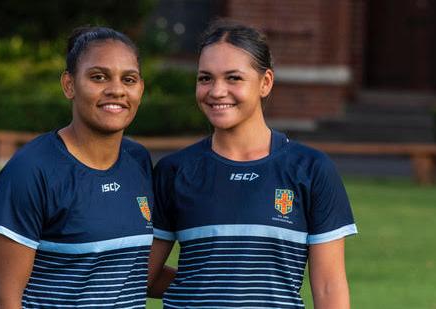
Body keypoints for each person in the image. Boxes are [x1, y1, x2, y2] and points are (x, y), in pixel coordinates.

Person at [148, 20, 357, 308]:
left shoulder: (311, 169)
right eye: (205, 78)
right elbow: (144, 275)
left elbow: (329, 287)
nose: (217, 91)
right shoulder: (174, 171)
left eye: (233, 78)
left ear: (265, 82)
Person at [0, 26, 154, 308]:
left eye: (129, 79)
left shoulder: (137, 160)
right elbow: (4, 297)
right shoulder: (31, 170)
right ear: (69, 84)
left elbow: (133, 273)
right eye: (98, 77)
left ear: (140, 88)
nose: (116, 90)